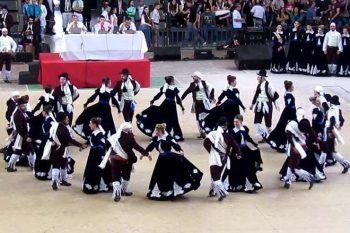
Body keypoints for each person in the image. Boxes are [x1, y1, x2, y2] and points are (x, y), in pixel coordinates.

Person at [145, 123, 203, 200]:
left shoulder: (168, 138)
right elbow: (150, 147)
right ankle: (162, 191)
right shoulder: (155, 138)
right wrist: (145, 153)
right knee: (160, 176)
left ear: (161, 131)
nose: (156, 132)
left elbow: (176, 145)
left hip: (170, 159)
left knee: (171, 175)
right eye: (156, 131)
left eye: (157, 131)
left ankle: (173, 191)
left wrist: (180, 150)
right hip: (161, 160)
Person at [100, 122, 149, 202]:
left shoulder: (114, 137)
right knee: (126, 176)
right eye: (130, 128)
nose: (131, 129)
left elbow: (106, 146)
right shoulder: (130, 137)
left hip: (115, 160)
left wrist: (109, 154)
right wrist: (145, 153)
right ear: (126, 129)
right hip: (126, 161)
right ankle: (123, 191)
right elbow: (137, 147)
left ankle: (117, 194)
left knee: (115, 177)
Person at [136, 76, 185, 141]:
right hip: (171, 106)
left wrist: (153, 100)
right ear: (172, 81)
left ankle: (159, 133)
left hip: (165, 104)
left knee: (161, 117)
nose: (174, 81)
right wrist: (181, 106)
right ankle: (171, 134)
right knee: (173, 120)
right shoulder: (174, 89)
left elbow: (159, 95)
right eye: (173, 80)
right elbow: (178, 99)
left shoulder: (165, 87)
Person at [203, 117, 241, 201]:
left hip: (215, 157)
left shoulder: (212, 134)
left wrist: (211, 151)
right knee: (217, 175)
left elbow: (205, 143)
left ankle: (221, 193)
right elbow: (236, 146)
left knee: (214, 176)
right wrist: (239, 154)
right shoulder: (229, 136)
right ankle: (212, 191)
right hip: (224, 158)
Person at [47, 112, 87, 191]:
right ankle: (63, 180)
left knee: (56, 165)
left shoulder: (54, 126)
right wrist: (81, 145)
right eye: (66, 118)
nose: (68, 119)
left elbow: (50, 137)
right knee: (63, 164)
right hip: (62, 150)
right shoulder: (64, 129)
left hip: (54, 148)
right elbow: (70, 140)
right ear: (62, 120)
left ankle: (54, 181)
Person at [223, 114, 263, 193]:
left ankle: (252, 183)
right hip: (236, 151)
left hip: (245, 150)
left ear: (241, 122)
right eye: (234, 122)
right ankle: (236, 185)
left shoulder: (244, 129)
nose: (235, 123)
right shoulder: (231, 131)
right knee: (235, 169)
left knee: (248, 166)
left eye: (237, 122)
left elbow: (248, 138)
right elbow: (230, 143)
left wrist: (255, 144)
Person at [282, 118, 316, 189]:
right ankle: (287, 181)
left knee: (294, 167)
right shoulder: (306, 129)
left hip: (295, 148)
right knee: (292, 164)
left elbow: (289, 138)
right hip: (302, 147)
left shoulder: (291, 126)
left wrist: (293, 147)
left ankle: (309, 177)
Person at [82, 117, 111, 194]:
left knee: (96, 170)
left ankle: (100, 185)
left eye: (90, 123)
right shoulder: (94, 132)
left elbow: (103, 144)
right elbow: (90, 140)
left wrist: (101, 154)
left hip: (97, 155)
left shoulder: (100, 134)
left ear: (94, 125)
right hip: (93, 154)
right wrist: (84, 146)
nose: (89, 125)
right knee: (94, 169)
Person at [181, 71, 215, 139]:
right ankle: (202, 132)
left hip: (205, 103)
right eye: (193, 77)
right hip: (197, 104)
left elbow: (211, 89)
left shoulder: (205, 83)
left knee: (206, 116)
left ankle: (207, 130)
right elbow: (187, 92)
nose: (193, 78)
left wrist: (211, 98)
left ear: (198, 77)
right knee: (198, 118)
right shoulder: (192, 84)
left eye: (194, 76)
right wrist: (181, 99)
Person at [249, 69, 279, 142]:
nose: (257, 78)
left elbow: (276, 95)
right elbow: (256, 95)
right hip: (259, 106)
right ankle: (264, 136)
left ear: (263, 77)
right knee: (257, 122)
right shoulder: (259, 85)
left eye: (259, 76)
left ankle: (273, 137)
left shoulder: (268, 85)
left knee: (268, 124)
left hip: (267, 106)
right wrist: (252, 104)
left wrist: (270, 101)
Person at [6, 97, 35, 172]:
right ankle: (34, 166)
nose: (25, 107)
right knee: (30, 151)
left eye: (25, 105)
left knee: (22, 151)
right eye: (23, 106)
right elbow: (19, 129)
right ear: (18, 106)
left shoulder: (22, 113)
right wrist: (26, 137)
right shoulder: (18, 115)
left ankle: (11, 166)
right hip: (22, 136)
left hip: (23, 135)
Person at [267, 80, 296, 152]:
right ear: (289, 87)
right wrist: (290, 116)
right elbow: (289, 106)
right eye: (292, 86)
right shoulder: (289, 95)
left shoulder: (288, 94)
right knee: (283, 129)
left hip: (287, 113)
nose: (293, 87)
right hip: (288, 114)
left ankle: (281, 144)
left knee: (282, 128)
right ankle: (281, 144)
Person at [33, 105, 55, 180]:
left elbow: (52, 131)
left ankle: (47, 172)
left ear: (44, 112)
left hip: (48, 141)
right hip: (45, 140)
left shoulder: (50, 120)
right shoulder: (47, 119)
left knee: (47, 156)